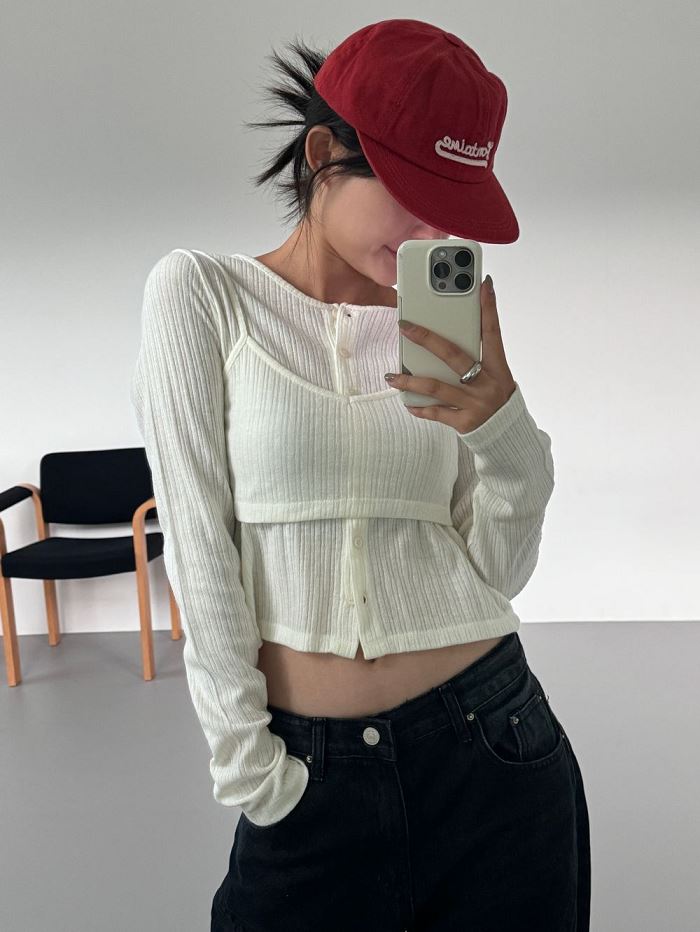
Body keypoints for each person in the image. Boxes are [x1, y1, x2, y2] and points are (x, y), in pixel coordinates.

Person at [131, 19, 591, 932]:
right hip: (307, 782)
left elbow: (497, 574)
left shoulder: (437, 333)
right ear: (322, 156)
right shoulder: (203, 297)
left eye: (452, 207)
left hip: (496, 752)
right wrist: (254, 773)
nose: (436, 232)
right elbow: (199, 547)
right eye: (414, 196)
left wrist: (500, 425)